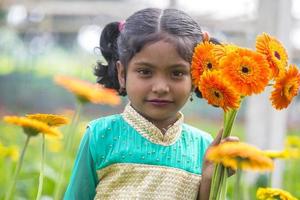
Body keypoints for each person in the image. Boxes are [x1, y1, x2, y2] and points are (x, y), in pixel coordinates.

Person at [64, 8, 236, 200]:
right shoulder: (100, 136)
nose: (161, 87)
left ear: (195, 77)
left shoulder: (204, 147)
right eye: (145, 71)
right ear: (122, 74)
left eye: (177, 73)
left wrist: (210, 180)